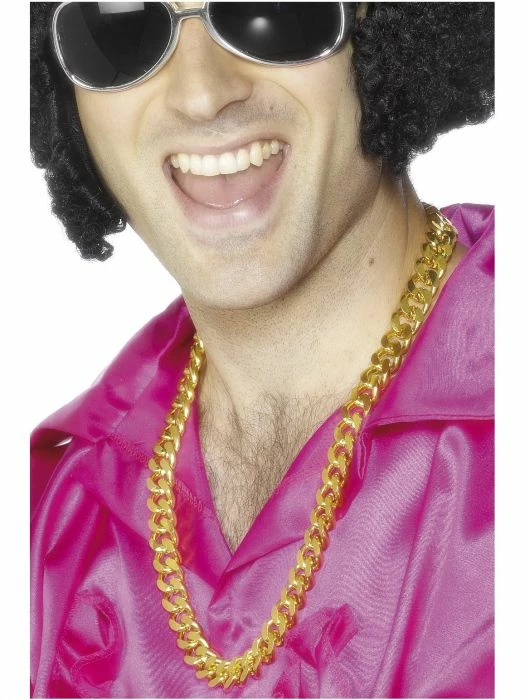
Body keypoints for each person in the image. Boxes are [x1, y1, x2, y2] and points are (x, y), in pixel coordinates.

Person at [30, 2, 494, 697]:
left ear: (384, 21)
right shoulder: (57, 513)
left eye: (268, 6)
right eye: (123, 23)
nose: (201, 93)